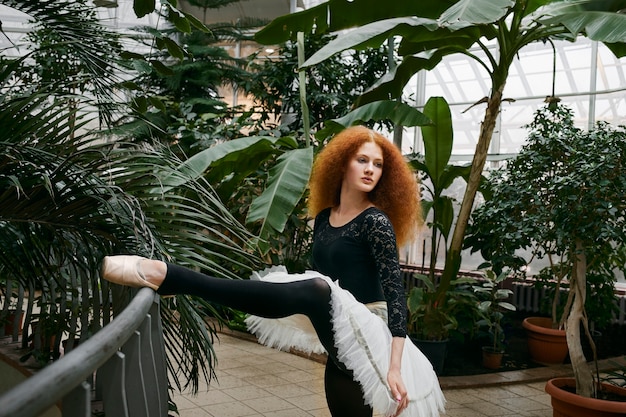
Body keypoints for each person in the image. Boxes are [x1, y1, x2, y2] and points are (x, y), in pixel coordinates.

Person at [101, 126, 445, 417]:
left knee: (317, 290)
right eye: (362, 160)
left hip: (374, 329)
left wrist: (395, 366)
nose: (371, 169)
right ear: (342, 164)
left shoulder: (376, 222)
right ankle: (174, 279)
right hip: (341, 333)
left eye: (378, 164)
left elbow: (396, 295)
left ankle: (170, 276)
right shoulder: (325, 218)